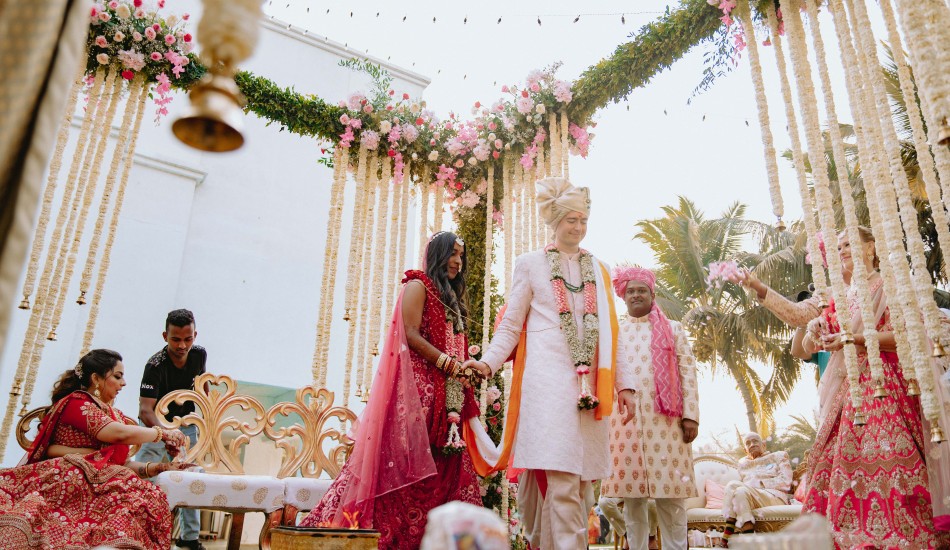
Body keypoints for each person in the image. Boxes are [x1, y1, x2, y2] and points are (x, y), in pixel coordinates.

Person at [739, 227, 949, 548]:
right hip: (848, 393)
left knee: (889, 463)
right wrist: (761, 289)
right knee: (837, 468)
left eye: (849, 244)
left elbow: (910, 335)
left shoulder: (891, 285)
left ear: (871, 248)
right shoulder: (839, 295)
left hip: (885, 386)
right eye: (837, 248)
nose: (842, 251)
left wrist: (854, 338)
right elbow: (802, 327)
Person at [462, 177, 624, 550]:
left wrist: (625, 386)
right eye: (571, 220)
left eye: (583, 220)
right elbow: (510, 326)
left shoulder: (599, 268)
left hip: (589, 390)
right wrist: (487, 364)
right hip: (547, 386)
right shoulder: (531, 265)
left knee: (580, 488)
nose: (578, 227)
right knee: (563, 480)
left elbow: (612, 335)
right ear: (554, 221)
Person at [300, 231, 484, 549]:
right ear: (438, 255)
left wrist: (465, 369)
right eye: (453, 254)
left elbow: (454, 346)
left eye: (461, 255)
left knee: (445, 471)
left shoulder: (452, 298)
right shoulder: (418, 286)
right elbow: (410, 333)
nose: (458, 261)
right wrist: (449, 363)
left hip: (447, 402)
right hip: (417, 398)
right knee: (404, 471)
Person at [0, 349, 193, 549]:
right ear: (96, 379)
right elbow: (117, 434)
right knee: (127, 503)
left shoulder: (114, 414)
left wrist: (160, 468)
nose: (124, 383)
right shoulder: (77, 403)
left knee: (143, 499)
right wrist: (162, 433)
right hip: (68, 483)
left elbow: (120, 463)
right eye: (117, 376)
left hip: (101, 485)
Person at [602, 266, 700, 550]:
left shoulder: (673, 329)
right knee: (632, 501)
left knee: (672, 499)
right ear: (623, 296)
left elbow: (688, 373)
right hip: (625, 422)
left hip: (667, 424)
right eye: (631, 291)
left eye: (641, 290)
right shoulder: (616, 331)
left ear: (651, 294)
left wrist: (691, 416)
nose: (636, 295)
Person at [137, 308, 207, 550]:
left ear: (195, 335)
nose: (182, 345)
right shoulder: (154, 365)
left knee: (192, 477)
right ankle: (141, 532)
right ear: (165, 336)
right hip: (154, 427)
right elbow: (145, 411)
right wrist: (164, 435)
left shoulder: (199, 354)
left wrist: (208, 414)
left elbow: (202, 386)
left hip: (186, 426)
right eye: (176, 339)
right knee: (147, 479)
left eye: (188, 339)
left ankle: (190, 538)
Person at [718, 432, 792, 547]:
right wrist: (750, 488)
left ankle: (728, 530)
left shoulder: (779, 456)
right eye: (748, 443)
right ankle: (749, 536)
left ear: (764, 445)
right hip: (750, 497)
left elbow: (786, 481)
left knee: (733, 485)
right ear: (745, 450)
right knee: (740, 492)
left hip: (774, 496)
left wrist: (760, 484)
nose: (752, 444)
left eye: (755, 441)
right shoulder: (742, 463)